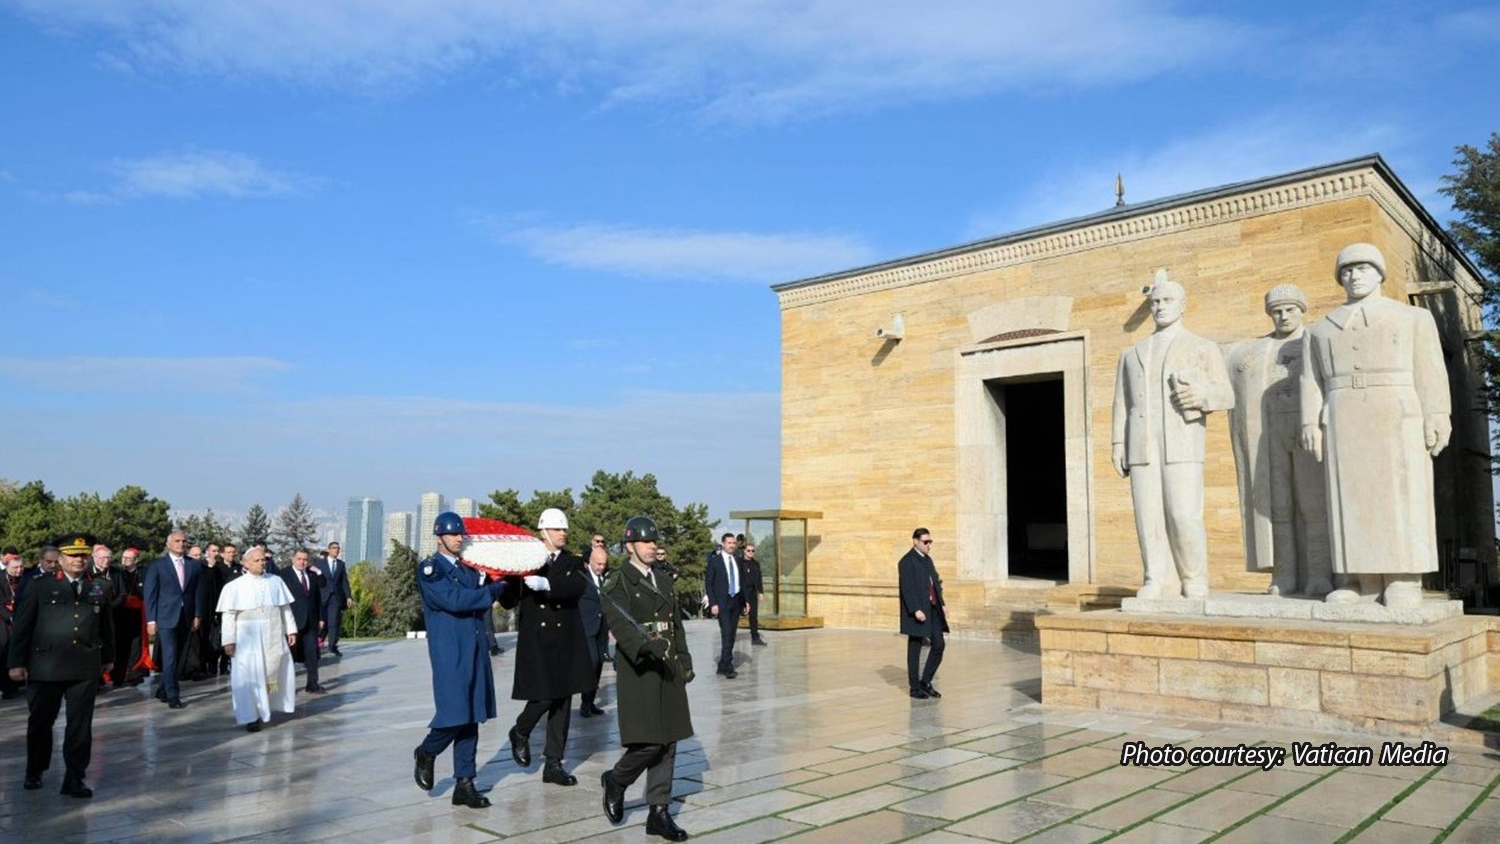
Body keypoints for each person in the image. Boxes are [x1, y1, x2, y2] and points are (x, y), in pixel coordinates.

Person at [1301, 243, 1452, 607]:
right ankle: (1360, 579)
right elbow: (1310, 381)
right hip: (1341, 414)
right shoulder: (1319, 330)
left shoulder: (1412, 318)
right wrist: (1309, 421)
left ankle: (1402, 576)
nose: (1354, 276)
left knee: (1400, 493)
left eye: (1363, 268)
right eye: (1347, 271)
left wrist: (1437, 414)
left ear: (1380, 273)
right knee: (1348, 495)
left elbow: (1430, 369)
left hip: (1396, 410)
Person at [1111, 275, 1234, 599]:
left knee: (1183, 513)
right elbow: (1122, 403)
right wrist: (1117, 444)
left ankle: (1193, 577)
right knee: (1147, 515)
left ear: (1182, 306)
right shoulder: (1132, 353)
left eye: (1167, 301)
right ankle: (1155, 577)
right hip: (1142, 444)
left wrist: (1202, 396)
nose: (1160, 307)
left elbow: (1226, 395)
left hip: (1182, 442)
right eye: (1155, 302)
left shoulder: (1202, 347)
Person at [1225, 284, 1332, 597]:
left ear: (1302, 310)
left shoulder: (1314, 340)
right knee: (1278, 505)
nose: (1283, 317)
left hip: (1307, 430)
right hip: (1268, 433)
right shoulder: (1255, 349)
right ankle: (1284, 575)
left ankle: (1320, 574)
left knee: (1314, 504)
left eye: (1290, 310)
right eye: (1277, 312)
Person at [599, 516, 693, 841]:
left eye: (654, 541)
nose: (652, 546)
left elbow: (675, 624)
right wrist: (644, 646)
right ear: (630, 546)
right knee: (649, 741)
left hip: (667, 668)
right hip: (640, 669)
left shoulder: (664, 580)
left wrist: (684, 659)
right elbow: (620, 624)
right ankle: (617, 779)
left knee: (669, 742)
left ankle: (659, 812)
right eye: (645, 542)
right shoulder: (617, 582)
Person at [412, 512, 509, 809]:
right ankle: (427, 751)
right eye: (452, 535)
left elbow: (477, 594)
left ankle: (464, 783)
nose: (458, 539)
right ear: (439, 537)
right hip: (450, 649)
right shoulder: (431, 570)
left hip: (474, 646)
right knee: (455, 712)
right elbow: (455, 600)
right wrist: (491, 590)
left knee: (472, 714)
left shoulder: (469, 569)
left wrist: (499, 581)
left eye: (460, 535)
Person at [7, 536, 113, 797]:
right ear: (61, 558)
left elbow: (107, 626)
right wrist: (16, 662)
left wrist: (109, 658)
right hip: (47, 666)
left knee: (80, 725)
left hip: (84, 665)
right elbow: (23, 626)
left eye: (82, 555)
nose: (78, 560)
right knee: (41, 722)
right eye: (72, 555)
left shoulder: (98, 587)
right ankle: (35, 769)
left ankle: (74, 777)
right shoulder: (39, 586)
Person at [500, 508, 594, 787]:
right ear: (544, 532)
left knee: (563, 701)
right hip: (537, 640)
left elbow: (577, 587)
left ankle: (553, 762)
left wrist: (547, 583)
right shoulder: (527, 559)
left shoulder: (572, 561)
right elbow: (508, 601)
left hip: (565, 640)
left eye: (564, 529)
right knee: (543, 696)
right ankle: (521, 730)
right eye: (556, 529)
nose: (562, 533)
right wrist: (505, 577)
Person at [217, 547, 297, 732]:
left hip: (273, 633)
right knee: (249, 676)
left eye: (263, 560)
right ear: (245, 563)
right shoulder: (234, 586)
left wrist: (291, 630)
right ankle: (250, 716)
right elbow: (228, 616)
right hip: (247, 638)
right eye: (257, 560)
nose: (262, 563)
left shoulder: (276, 581)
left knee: (274, 672)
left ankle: (269, 708)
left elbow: (285, 608)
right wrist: (228, 641)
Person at [143, 530, 208, 708]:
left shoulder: (194, 565)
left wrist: (197, 614)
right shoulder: (158, 565)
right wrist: (151, 620)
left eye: (184, 541)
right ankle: (173, 695)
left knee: (178, 657)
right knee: (170, 656)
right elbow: (150, 594)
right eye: (177, 541)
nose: (181, 544)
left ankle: (162, 689)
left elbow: (198, 592)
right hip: (165, 617)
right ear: (168, 544)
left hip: (186, 617)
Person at [899, 528, 947, 700]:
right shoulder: (906, 561)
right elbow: (907, 588)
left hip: (933, 609)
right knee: (915, 649)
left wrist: (942, 604)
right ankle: (914, 688)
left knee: (939, 644)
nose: (929, 545)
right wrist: (915, 610)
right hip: (918, 612)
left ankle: (925, 682)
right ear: (915, 541)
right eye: (926, 542)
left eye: (930, 542)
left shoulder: (928, 560)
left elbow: (935, 582)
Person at [279, 549, 325, 694]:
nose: (302, 562)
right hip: (291, 623)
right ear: (293, 559)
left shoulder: (311, 575)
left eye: (305, 559)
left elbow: (317, 597)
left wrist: (321, 617)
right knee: (290, 657)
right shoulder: (283, 575)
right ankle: (287, 687)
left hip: (310, 622)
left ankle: (312, 684)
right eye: (299, 559)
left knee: (312, 655)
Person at [704, 532, 747, 678]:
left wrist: (745, 601)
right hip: (722, 602)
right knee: (726, 632)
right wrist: (713, 603)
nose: (732, 545)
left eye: (734, 543)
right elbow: (709, 583)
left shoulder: (737, 560)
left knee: (732, 633)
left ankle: (722, 664)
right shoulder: (715, 560)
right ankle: (728, 666)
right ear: (723, 544)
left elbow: (742, 583)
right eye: (729, 543)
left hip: (736, 601)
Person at [578, 544, 610, 718]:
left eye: (603, 564)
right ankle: (584, 702)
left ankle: (590, 702)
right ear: (589, 562)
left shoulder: (605, 579)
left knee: (598, 665)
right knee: (592, 662)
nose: (601, 567)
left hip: (601, 628)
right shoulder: (582, 578)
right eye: (598, 564)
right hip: (586, 627)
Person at [109, 548, 148, 688]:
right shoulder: (118, 573)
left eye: (128, 558)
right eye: (123, 557)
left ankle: (134, 674)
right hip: (121, 612)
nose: (124, 560)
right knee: (120, 644)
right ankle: (118, 675)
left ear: (136, 560)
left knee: (136, 644)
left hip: (137, 613)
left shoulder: (143, 572)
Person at [318, 541, 352, 657]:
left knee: (333, 623)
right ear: (329, 550)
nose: (336, 550)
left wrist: (348, 596)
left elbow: (344, 582)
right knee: (321, 623)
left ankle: (332, 646)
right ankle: (317, 644)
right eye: (334, 548)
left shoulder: (341, 564)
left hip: (335, 598)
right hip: (321, 597)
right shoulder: (320, 563)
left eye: (338, 548)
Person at [0, 552, 23, 700]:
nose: (18, 570)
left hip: (22, 617)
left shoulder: (26, 579)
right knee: (5, 651)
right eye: (15, 568)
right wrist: (10, 617)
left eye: (21, 567)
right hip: (4, 620)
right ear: (7, 567)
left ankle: (19, 683)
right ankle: (6, 686)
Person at [741, 543, 767, 645]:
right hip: (741, 593)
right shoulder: (739, 562)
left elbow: (759, 579)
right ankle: (729, 638)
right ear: (744, 551)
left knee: (753, 616)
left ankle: (755, 637)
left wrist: (761, 592)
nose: (751, 552)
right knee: (735, 615)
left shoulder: (756, 564)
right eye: (748, 550)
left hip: (752, 592)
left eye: (753, 551)